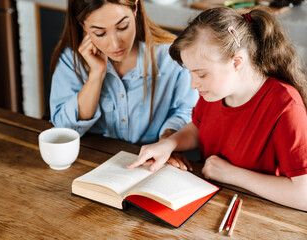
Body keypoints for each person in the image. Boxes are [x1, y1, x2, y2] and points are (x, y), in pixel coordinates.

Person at [128, 7, 307, 211]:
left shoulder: (285, 106)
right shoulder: (216, 92)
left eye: (201, 74)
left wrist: (232, 174)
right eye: (191, 73)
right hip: (209, 199)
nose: (193, 84)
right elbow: (197, 128)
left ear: (237, 62)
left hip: (256, 211)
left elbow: (303, 195)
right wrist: (168, 144)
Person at [49, 0, 199, 151]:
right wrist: (96, 75)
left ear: (135, 8)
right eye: (100, 33)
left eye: (122, 27)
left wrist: (167, 141)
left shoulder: (171, 57)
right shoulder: (71, 59)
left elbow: (187, 113)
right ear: (82, 25)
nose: (115, 45)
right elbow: (64, 129)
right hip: (91, 157)